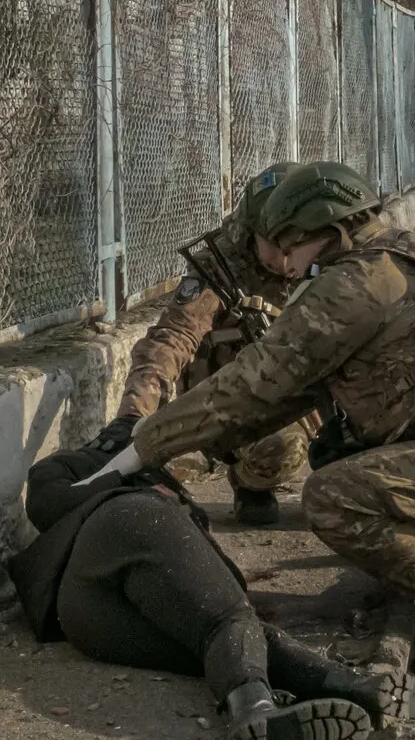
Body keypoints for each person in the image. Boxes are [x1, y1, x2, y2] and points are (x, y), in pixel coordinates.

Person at [76, 161, 415, 675]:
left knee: (333, 499)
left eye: (288, 246)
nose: (286, 263)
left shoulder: (353, 285)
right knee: (362, 457)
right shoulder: (408, 252)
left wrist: (142, 445)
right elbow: (282, 386)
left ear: (318, 233)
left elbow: (251, 386)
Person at [9, 414, 415, 740]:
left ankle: (338, 694)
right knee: (230, 622)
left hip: (92, 625)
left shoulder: (166, 484)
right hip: (106, 547)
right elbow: (46, 504)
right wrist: (122, 461)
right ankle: (272, 704)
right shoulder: (87, 464)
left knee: (233, 639)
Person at [117, 161, 319, 526]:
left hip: (309, 388)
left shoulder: (328, 257)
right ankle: (248, 482)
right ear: (253, 233)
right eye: (277, 245)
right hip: (241, 399)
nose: (287, 259)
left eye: (298, 244)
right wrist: (133, 416)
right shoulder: (221, 267)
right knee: (280, 450)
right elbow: (171, 340)